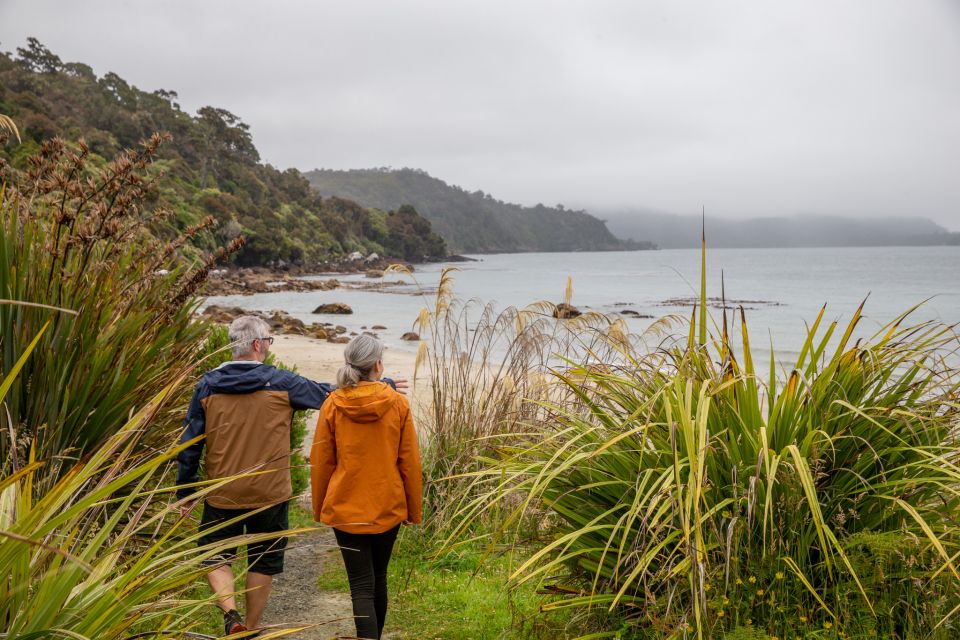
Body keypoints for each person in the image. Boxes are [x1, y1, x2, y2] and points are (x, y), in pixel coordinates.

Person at [176, 316, 405, 636]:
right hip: (271, 492)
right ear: (257, 345)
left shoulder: (207, 385)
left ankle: (230, 613)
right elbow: (331, 394)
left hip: (223, 490)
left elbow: (189, 442)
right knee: (263, 561)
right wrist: (383, 386)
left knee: (216, 555)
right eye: (269, 341)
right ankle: (251, 627)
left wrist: (185, 491)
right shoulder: (282, 382)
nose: (269, 347)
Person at [310, 333, 422, 640]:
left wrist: (320, 507)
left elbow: (322, 461)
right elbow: (409, 462)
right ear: (377, 364)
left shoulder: (332, 403)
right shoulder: (398, 403)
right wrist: (414, 510)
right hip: (388, 504)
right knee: (379, 578)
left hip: (345, 506)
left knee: (360, 583)